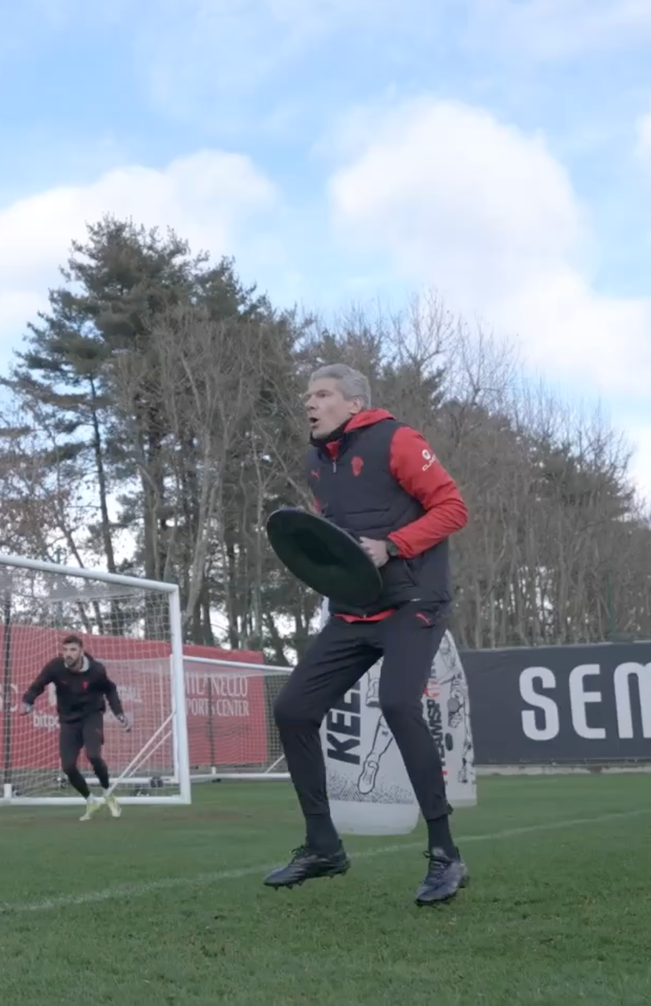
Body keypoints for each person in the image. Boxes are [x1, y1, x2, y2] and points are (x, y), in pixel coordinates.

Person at [264, 363, 472, 906]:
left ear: (355, 403)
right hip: (354, 610)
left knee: (398, 704)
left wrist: (394, 545)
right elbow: (331, 537)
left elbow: (453, 508)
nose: (309, 403)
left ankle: (446, 854)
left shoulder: (397, 440)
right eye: (307, 395)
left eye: (322, 394)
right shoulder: (316, 461)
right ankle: (323, 846)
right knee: (293, 710)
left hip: (414, 602)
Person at [18, 634, 131, 820]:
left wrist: (119, 713)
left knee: (93, 756)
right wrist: (27, 701)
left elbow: (110, 689)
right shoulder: (55, 667)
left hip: (91, 717)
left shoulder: (96, 670)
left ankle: (107, 793)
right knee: (68, 766)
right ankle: (90, 800)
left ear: (81, 651)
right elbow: (38, 684)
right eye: (65, 650)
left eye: (73, 650)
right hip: (68, 720)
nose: (68, 654)